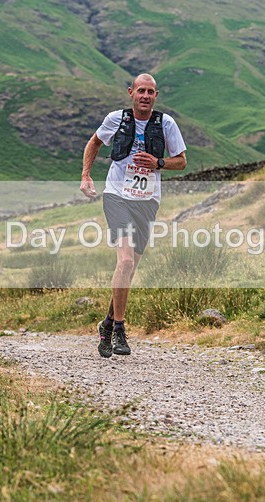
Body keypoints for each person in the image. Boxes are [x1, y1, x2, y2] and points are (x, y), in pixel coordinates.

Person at [80, 73, 187, 358]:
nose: (145, 96)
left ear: (156, 95)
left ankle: (106, 324)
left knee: (130, 267)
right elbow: (94, 143)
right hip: (117, 196)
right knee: (125, 260)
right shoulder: (116, 119)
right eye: (141, 91)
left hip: (147, 201)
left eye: (150, 92)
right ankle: (119, 329)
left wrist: (158, 162)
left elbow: (181, 162)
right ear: (131, 92)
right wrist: (86, 175)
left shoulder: (166, 124)